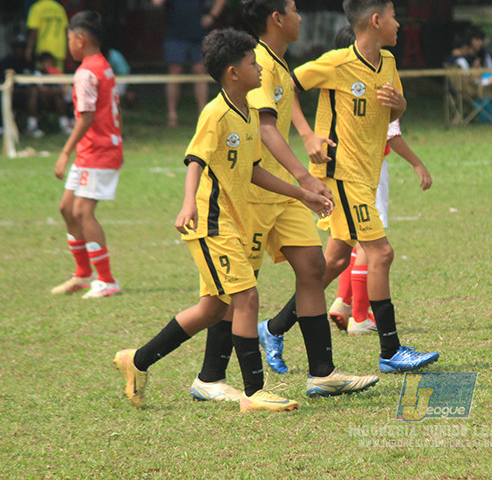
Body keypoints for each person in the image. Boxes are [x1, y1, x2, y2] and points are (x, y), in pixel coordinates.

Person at [112, 27, 334, 411]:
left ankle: (138, 360)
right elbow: (195, 162)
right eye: (252, 63)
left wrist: (302, 193)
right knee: (246, 296)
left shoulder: (247, 112)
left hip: (235, 220)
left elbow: (252, 171)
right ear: (233, 72)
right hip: (211, 222)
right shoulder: (215, 114)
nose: (259, 68)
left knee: (214, 308)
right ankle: (254, 392)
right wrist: (188, 205)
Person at [190, 0, 377, 400]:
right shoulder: (257, 62)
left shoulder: (275, 62)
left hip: (283, 195)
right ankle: (208, 378)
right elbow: (268, 127)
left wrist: (306, 142)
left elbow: (284, 105)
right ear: (277, 18)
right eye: (294, 9)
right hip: (255, 193)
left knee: (312, 268)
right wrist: (305, 176)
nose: (299, 16)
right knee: (235, 292)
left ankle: (322, 372)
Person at [259, 0, 439, 375]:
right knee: (381, 253)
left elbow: (394, 115)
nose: (398, 24)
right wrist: (307, 134)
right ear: (375, 21)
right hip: (340, 173)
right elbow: (285, 88)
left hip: (367, 173)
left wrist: (400, 105)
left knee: (336, 259)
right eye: (393, 16)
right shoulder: (336, 63)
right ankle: (390, 350)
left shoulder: (388, 63)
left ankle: (273, 328)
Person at [328, 25, 432, 336]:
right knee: (372, 246)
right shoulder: (375, 81)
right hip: (368, 169)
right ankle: (360, 315)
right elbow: (392, 133)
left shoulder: (340, 85)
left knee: (348, 241)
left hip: (342, 171)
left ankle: (343, 303)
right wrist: (417, 163)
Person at [51, 12, 124, 298]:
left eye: (69, 38)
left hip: (98, 151)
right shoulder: (103, 66)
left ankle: (106, 280)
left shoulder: (86, 72)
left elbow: (87, 116)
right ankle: (82, 274)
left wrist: (64, 152)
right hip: (95, 150)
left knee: (82, 212)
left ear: (80, 39)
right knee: (67, 209)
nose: (68, 43)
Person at [151, 0, 226, 127]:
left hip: (197, 34)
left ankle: (202, 113)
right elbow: (156, 1)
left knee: (200, 70)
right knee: (174, 72)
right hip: (175, 35)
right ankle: (172, 115)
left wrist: (212, 16)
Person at [26, 0, 69, 72]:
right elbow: (66, 30)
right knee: (58, 78)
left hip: (43, 50)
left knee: (43, 79)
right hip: (59, 49)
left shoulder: (36, 8)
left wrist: (29, 49)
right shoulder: (59, 8)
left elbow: (34, 30)